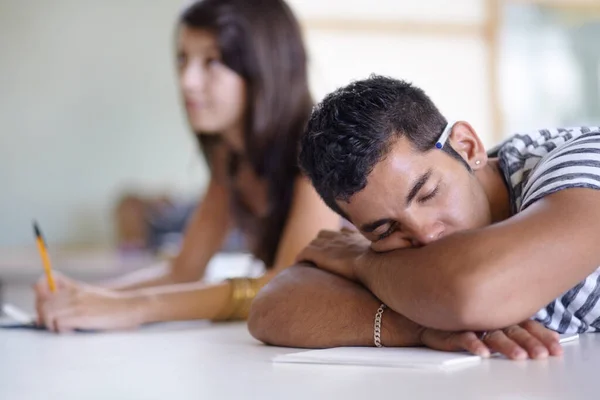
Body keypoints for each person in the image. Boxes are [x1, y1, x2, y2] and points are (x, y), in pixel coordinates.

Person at [34, 0, 339, 332]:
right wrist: (87, 296)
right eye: (183, 59)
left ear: (266, 68)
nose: (188, 81)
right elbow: (183, 270)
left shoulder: (316, 148)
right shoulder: (230, 158)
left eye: (212, 61)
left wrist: (134, 308)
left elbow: (288, 283)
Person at [249, 75, 600, 360]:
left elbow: (473, 292)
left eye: (428, 193)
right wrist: (418, 326)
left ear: (467, 146)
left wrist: (358, 260)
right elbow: (271, 307)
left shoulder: (581, 164)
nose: (425, 235)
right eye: (385, 230)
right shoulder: (389, 251)